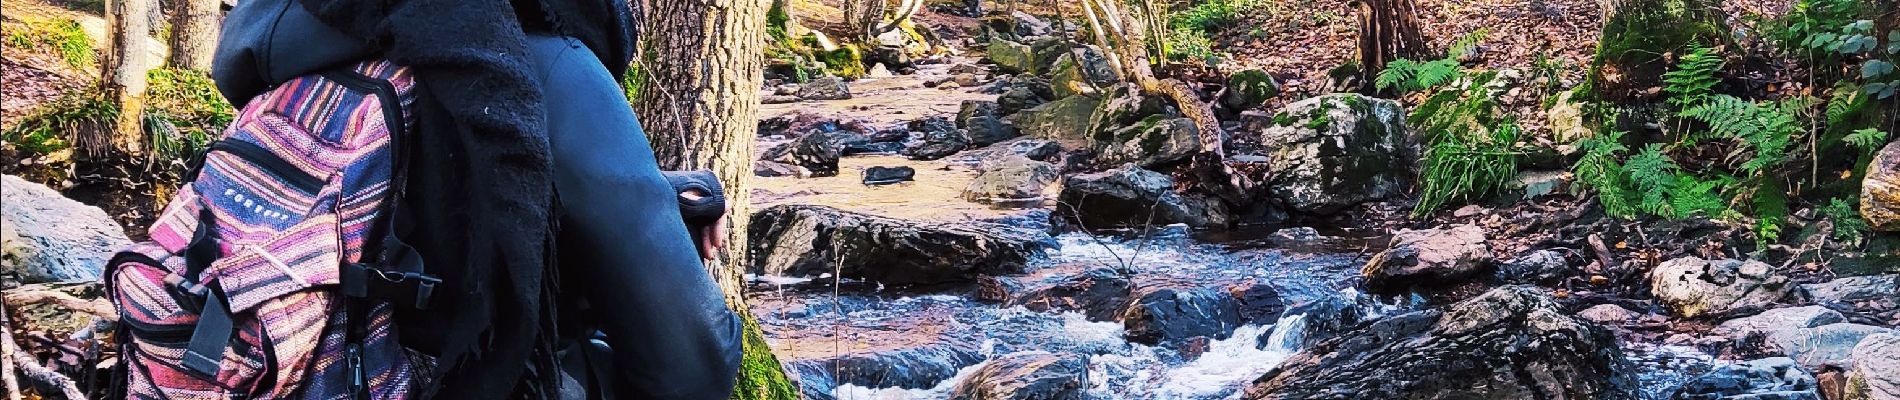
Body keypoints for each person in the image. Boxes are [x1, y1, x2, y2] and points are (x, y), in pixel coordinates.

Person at [210, 0, 744, 398]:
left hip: (270, 360)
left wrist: (654, 194)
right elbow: (690, 368)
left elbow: (394, 190)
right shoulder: (546, 62)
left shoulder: (283, 38)